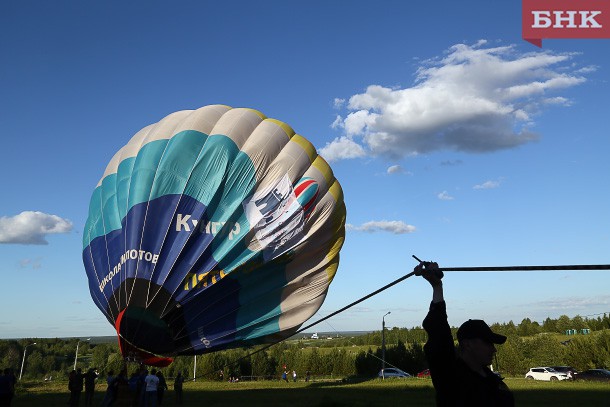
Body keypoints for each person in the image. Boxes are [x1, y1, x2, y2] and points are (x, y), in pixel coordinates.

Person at [416, 261, 514, 406]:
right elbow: (439, 331)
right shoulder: (450, 377)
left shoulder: (493, 380)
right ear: (467, 344)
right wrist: (437, 286)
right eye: (487, 343)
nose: (493, 349)